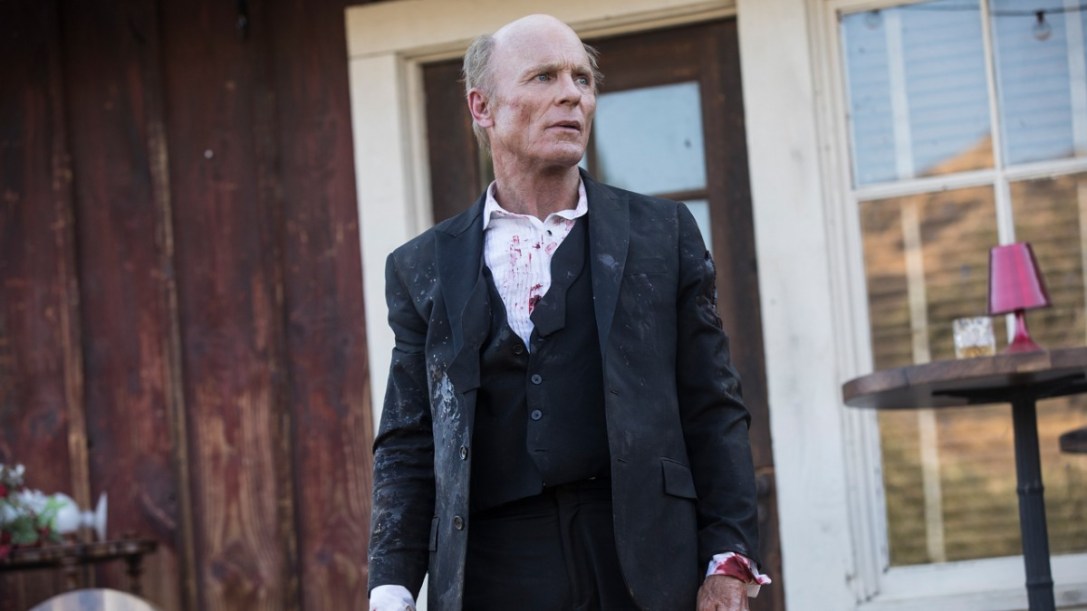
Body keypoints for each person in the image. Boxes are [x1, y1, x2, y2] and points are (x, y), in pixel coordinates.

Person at [367, 14, 769, 611]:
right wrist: (392, 589)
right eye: (543, 77)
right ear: (482, 107)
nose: (572, 95)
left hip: (643, 561)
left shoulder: (663, 234)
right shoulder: (420, 267)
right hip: (493, 571)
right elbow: (408, 440)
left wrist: (728, 558)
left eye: (582, 78)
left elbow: (713, 406)